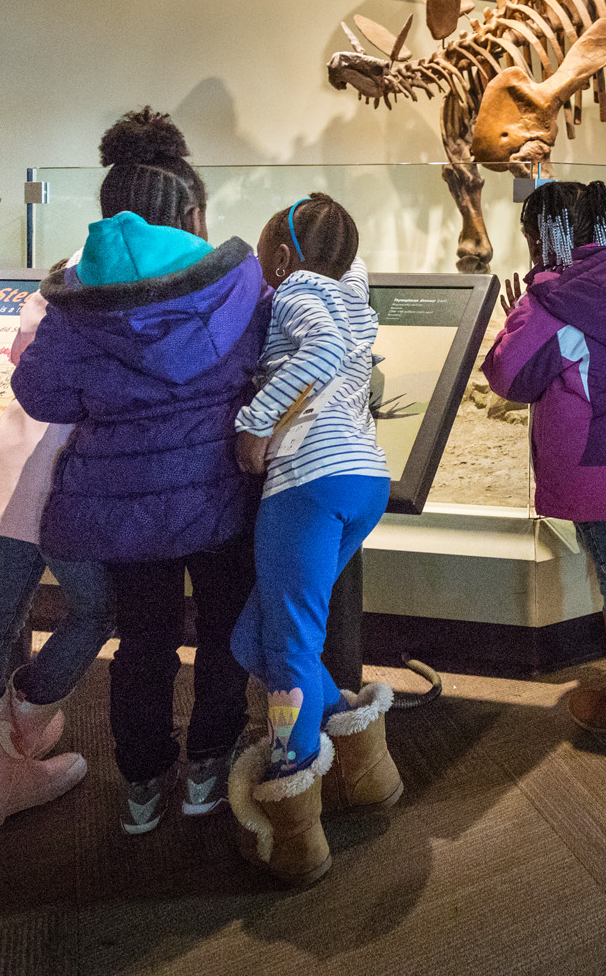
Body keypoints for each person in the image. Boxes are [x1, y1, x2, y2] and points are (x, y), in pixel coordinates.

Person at [14, 108, 267, 835]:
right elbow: (265, 364)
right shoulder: (238, 283)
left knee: (144, 641)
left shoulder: (75, 301)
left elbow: (41, 394)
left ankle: (142, 783)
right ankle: (208, 765)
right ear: (192, 214)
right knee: (223, 630)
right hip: (219, 496)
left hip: (120, 510)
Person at [224, 194, 397, 885]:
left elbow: (319, 350)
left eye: (266, 260)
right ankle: (366, 764)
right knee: (257, 638)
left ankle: (294, 818)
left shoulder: (297, 289)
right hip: (364, 479)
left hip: (307, 481)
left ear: (283, 257)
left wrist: (256, 421)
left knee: (290, 646)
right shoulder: (352, 296)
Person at [481, 180, 606, 736]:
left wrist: (520, 313)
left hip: (588, 457)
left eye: (531, 236)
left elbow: (509, 377)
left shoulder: (554, 300)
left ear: (547, 235)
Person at [0, 279, 111, 842]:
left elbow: (23, 356)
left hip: (13, 461)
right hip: (75, 474)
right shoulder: (146, 277)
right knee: (96, 608)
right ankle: (22, 732)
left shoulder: (64, 278)